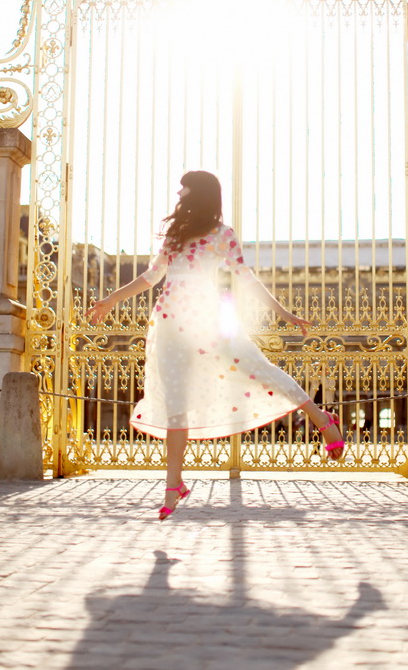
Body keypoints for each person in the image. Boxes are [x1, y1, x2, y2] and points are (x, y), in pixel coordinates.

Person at [87, 170, 344, 520]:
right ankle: (172, 485)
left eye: (185, 184)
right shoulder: (174, 234)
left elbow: (247, 278)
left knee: (256, 366)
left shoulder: (223, 234)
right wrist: (111, 300)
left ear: (199, 192)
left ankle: (321, 419)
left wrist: (284, 312)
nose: (179, 190)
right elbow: (151, 276)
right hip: (169, 320)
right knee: (176, 398)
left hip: (207, 316)